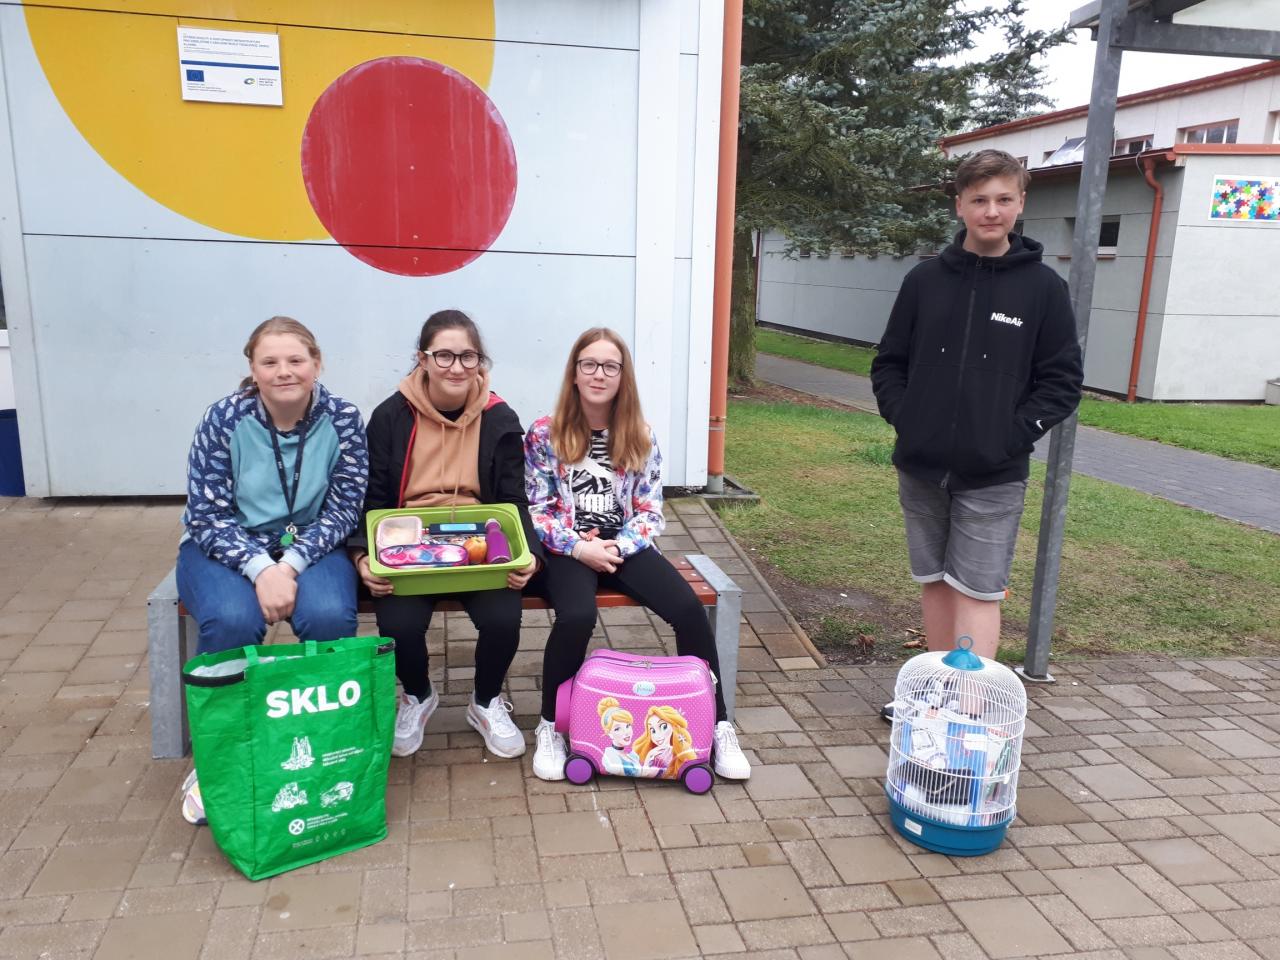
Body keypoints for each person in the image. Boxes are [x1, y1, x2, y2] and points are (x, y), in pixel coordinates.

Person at [870, 148, 1084, 719]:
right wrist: (906, 415)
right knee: (936, 582)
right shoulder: (924, 281)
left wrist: (1009, 437)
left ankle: (969, 709)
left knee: (978, 589)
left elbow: (1061, 383)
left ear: (1020, 204)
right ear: (960, 205)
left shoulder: (1043, 290)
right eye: (980, 200)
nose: (992, 211)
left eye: (1004, 200)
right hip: (921, 464)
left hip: (994, 472)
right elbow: (889, 362)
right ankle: (934, 694)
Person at [524, 327, 751, 781]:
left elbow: (650, 513)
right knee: (575, 617)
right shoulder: (544, 433)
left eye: (610, 366)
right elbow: (538, 510)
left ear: (623, 376)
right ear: (574, 372)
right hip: (568, 548)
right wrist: (581, 547)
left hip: (624, 544)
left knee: (688, 609)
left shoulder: (639, 434)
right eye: (589, 364)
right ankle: (550, 724)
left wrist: (615, 547)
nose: (599, 374)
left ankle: (718, 723)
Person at [176, 316, 368, 822]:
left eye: (295, 360)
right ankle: (219, 756)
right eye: (270, 362)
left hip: (312, 543)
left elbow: (346, 507)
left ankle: (330, 748)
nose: (284, 372)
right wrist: (263, 568)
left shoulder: (344, 416)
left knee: (329, 617)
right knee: (233, 622)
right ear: (253, 369)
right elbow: (206, 513)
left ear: (317, 363)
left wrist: (294, 562)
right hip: (226, 547)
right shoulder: (223, 419)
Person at [351, 310, 542, 759]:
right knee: (397, 623)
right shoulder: (389, 416)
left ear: (480, 361)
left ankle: (486, 700)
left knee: (502, 616)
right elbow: (373, 495)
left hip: (478, 538)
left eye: (467, 356)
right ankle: (418, 695)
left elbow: (515, 497)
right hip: (407, 540)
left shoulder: (499, 418)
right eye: (444, 355)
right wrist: (363, 557)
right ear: (423, 359)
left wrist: (528, 554)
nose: (456, 367)